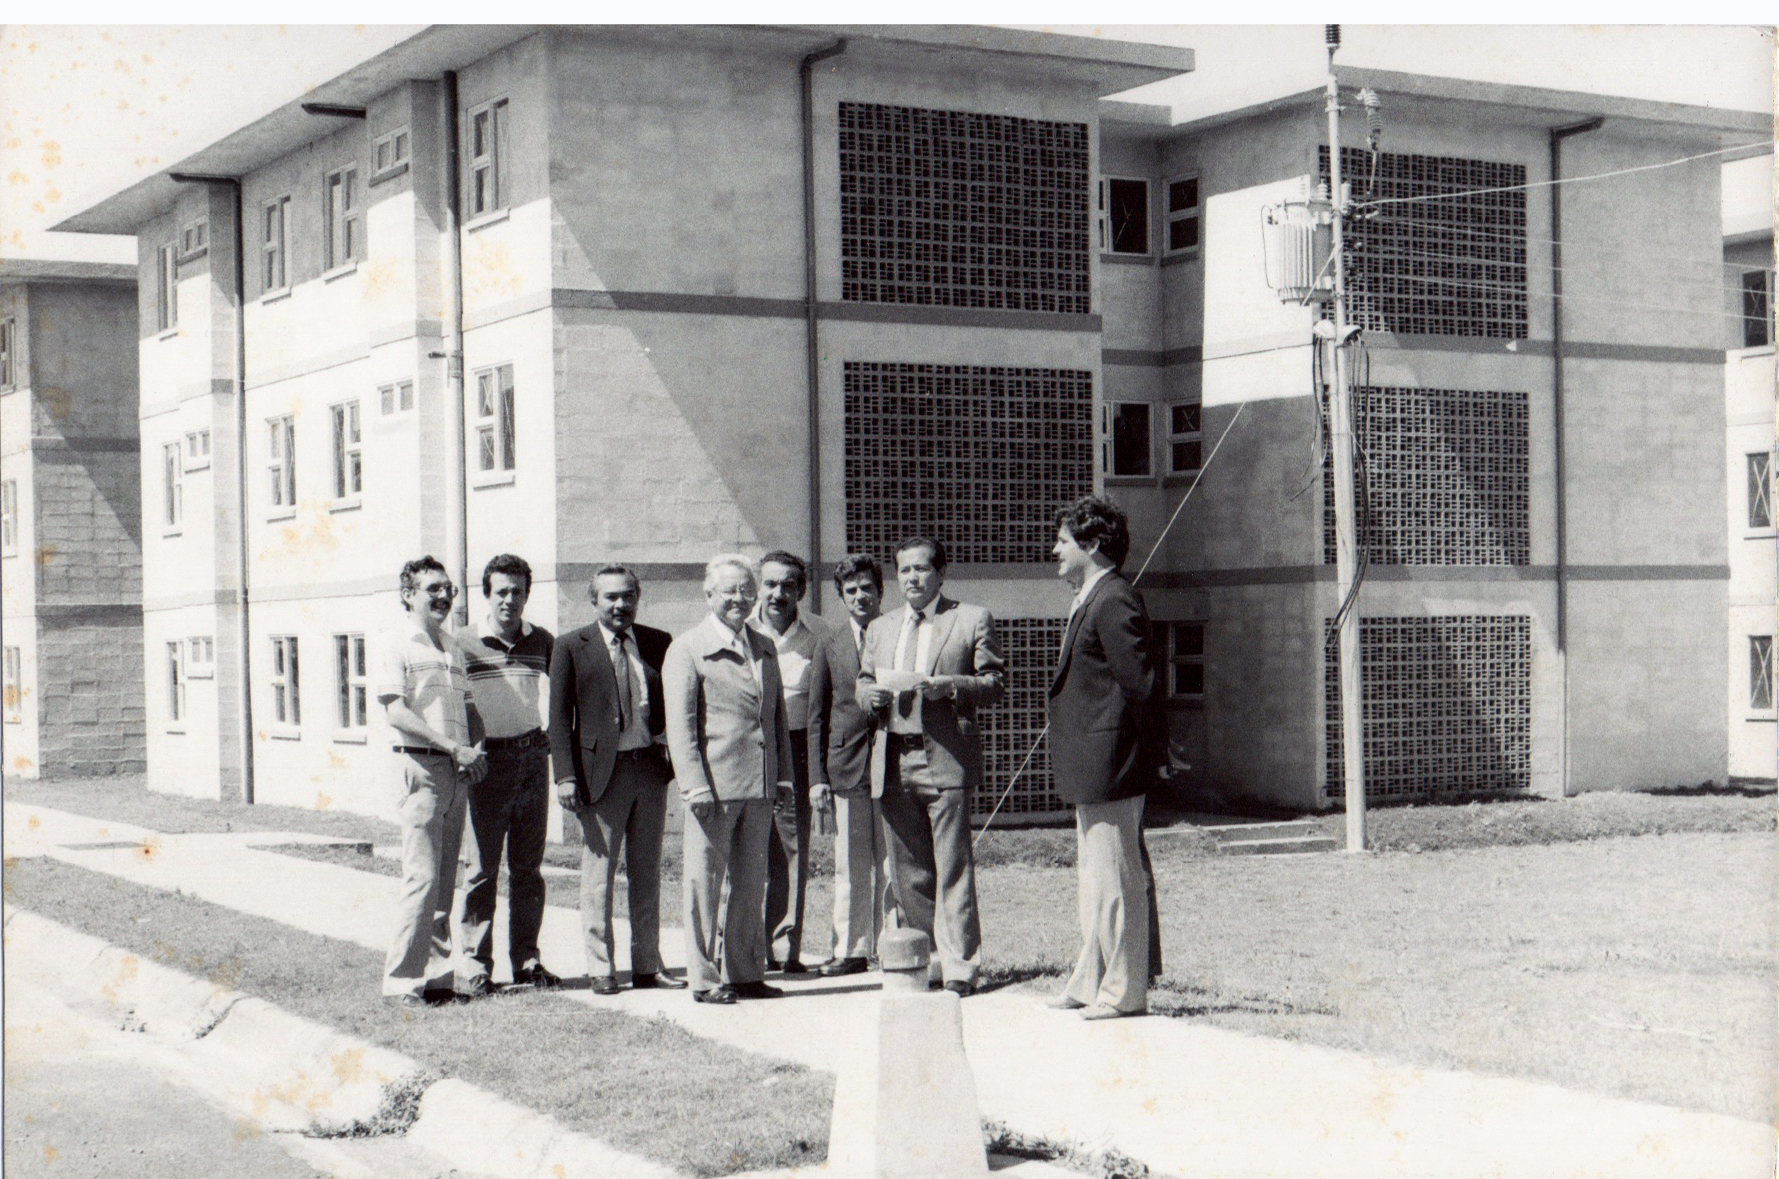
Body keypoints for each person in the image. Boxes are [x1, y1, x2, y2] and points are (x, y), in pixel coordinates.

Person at [856, 537, 1004, 995]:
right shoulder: (880, 628)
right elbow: (862, 681)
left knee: (952, 865)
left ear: (941, 573)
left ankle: (961, 967)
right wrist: (870, 696)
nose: (912, 579)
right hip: (892, 756)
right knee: (907, 869)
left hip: (943, 756)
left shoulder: (969, 618)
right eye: (903, 571)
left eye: (921, 569)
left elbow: (995, 682)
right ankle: (931, 961)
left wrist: (952, 687)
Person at [1046, 496, 1166, 1019]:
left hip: (1112, 759)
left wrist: (1156, 750)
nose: (1055, 549)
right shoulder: (1091, 596)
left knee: (1117, 880)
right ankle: (1091, 977)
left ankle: (1123, 992)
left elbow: (1141, 684)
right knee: (1096, 878)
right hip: (1091, 760)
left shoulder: (1114, 598)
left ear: (1091, 546)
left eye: (1064, 541)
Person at [664, 554, 797, 1005]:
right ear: (708, 595)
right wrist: (694, 785)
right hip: (713, 789)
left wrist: (781, 780)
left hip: (759, 787)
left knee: (750, 880)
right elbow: (680, 727)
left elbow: (775, 719)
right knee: (704, 881)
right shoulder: (687, 647)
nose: (739, 599)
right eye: (729, 591)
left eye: (746, 590)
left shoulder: (764, 645)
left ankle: (744, 972)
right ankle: (703, 977)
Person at [547, 565, 686, 995]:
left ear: (637, 598)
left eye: (628, 596)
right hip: (599, 776)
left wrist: (673, 760)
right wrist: (565, 777)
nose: (620, 604)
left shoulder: (658, 642)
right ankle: (601, 967)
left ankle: (647, 964)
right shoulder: (571, 646)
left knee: (647, 872)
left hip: (648, 770)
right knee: (599, 876)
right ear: (594, 601)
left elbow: (673, 703)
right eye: (610, 597)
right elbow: (557, 719)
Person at [377, 556, 487, 1008]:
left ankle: (438, 979)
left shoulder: (452, 646)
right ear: (408, 594)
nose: (444, 597)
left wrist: (476, 748)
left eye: (449, 589)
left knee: (444, 880)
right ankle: (401, 981)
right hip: (421, 767)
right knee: (421, 878)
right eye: (433, 589)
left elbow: (468, 708)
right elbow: (396, 712)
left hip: (457, 770)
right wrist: (450, 746)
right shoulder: (398, 642)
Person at [455, 553, 560, 997]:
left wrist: (554, 735)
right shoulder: (462, 642)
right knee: (481, 869)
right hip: (486, 764)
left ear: (526, 596)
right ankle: (477, 966)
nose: (510, 601)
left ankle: (527, 961)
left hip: (532, 758)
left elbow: (564, 692)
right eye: (502, 592)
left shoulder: (543, 642)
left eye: (518, 592)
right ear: (488, 595)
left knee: (528, 869)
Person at [808, 552, 898, 977]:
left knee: (891, 862)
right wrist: (816, 778)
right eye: (851, 591)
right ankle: (850, 949)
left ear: (881, 592)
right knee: (849, 863)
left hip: (893, 761)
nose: (860, 596)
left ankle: (892, 945)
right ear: (842, 598)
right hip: (846, 765)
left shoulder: (900, 633)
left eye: (867, 588)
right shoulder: (830, 643)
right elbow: (817, 716)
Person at [752, 551, 820, 974]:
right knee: (742, 849)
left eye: (788, 585)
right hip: (747, 749)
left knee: (791, 852)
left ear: (801, 590)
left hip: (794, 750)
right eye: (770, 584)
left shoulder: (818, 636)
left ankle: (783, 949)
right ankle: (738, 945)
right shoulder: (739, 630)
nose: (778, 593)